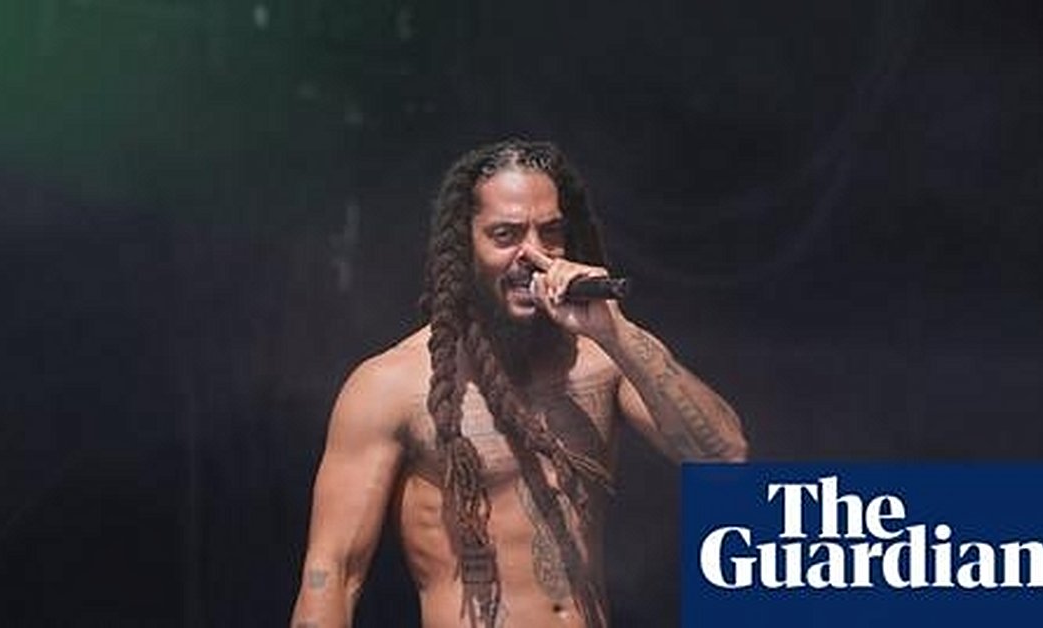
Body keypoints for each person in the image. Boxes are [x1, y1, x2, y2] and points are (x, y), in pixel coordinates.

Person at [289, 140, 748, 628]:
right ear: (463, 247)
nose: (532, 254)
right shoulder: (391, 385)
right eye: (505, 235)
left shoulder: (603, 358)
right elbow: (332, 574)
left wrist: (617, 333)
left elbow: (725, 458)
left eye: (550, 233)